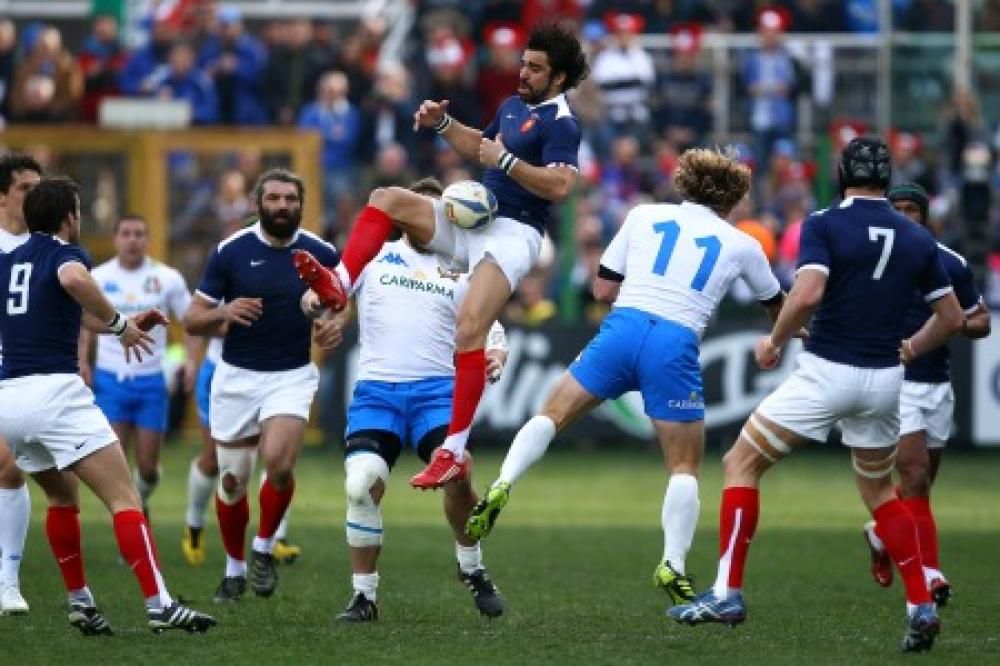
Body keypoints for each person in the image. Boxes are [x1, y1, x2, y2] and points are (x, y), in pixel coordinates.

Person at [668, 138, 964, 654]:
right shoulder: (917, 237)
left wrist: (774, 341)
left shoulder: (825, 223)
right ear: (887, 180)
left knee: (740, 463)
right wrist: (911, 349)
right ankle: (920, 603)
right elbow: (953, 318)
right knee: (881, 493)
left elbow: (807, 294)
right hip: (885, 381)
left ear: (842, 174)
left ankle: (726, 592)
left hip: (828, 372)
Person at [464, 148, 785, 605]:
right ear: (733, 199)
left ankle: (503, 483)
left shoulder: (643, 215)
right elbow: (777, 305)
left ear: (684, 182)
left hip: (624, 325)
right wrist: (792, 333)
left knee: (551, 414)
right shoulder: (743, 243)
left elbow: (602, 288)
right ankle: (673, 563)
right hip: (674, 342)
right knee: (683, 466)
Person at [294, 21, 589, 489]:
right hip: (476, 222)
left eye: (536, 68)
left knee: (469, 328)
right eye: (524, 63)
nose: (523, 73)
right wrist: (444, 125)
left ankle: (451, 450)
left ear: (559, 77)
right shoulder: (513, 106)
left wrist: (506, 161)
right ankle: (340, 282)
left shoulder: (562, 123)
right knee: (386, 198)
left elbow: (560, 184)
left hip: (514, 233)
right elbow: (481, 148)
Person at [0, 175, 215, 634]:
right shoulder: (67, 254)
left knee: (61, 496)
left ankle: (80, 600)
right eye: (78, 211)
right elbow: (73, 279)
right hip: (56, 395)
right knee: (125, 498)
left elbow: (64, 308)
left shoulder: (10, 261)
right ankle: (160, 604)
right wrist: (119, 325)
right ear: (69, 217)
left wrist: (122, 322)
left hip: (10, 401)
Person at [304, 178, 508, 622]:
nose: (428, 221)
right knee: (361, 486)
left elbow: (492, 331)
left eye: (436, 214)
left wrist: (495, 354)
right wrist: (322, 315)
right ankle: (364, 597)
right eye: (420, 211)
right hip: (377, 394)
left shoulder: (465, 268)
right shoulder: (373, 255)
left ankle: (471, 566)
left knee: (459, 474)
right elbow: (323, 296)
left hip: (438, 394)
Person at [183, 168, 343, 603]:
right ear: (258, 203)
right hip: (236, 377)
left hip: (291, 375)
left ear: (301, 204)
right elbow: (192, 319)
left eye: (290, 199)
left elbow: (340, 301)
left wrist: (334, 323)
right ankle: (233, 569)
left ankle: (264, 548)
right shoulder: (230, 251)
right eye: (273, 198)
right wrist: (224, 312)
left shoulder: (321, 252)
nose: (282, 206)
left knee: (279, 462)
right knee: (232, 480)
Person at [863, 182, 990, 604]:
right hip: (895, 382)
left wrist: (956, 323)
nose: (903, 216)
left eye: (911, 210)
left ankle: (881, 534)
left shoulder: (950, 263)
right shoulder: (875, 263)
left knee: (920, 484)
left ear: (925, 216)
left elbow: (981, 320)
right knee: (915, 477)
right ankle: (930, 575)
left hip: (937, 383)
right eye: (896, 208)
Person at [79, 214, 199, 518]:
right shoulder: (98, 277)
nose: (132, 240)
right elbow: (83, 323)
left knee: (148, 468)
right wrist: (81, 362)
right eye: (126, 233)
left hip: (151, 381)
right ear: (115, 238)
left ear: (147, 239)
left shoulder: (167, 278)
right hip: (110, 380)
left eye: (139, 234)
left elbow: (190, 321)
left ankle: (140, 499)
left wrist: (191, 361)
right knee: (115, 463)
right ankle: (131, 517)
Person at [183, 335, 302, 566]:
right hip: (224, 371)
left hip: (275, 372)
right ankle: (194, 524)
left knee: (276, 456)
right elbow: (195, 321)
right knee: (214, 460)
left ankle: (275, 537)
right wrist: (192, 359)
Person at [0, 152, 41, 615]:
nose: (33, 197)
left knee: (11, 469)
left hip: (22, 372)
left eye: (38, 189)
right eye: (24, 189)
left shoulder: (45, 245)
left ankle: (8, 581)